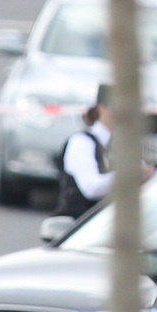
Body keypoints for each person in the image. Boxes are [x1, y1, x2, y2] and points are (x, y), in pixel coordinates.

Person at [54, 86, 116, 218]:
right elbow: (91, 188)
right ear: (102, 107)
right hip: (77, 228)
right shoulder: (81, 142)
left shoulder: (123, 144)